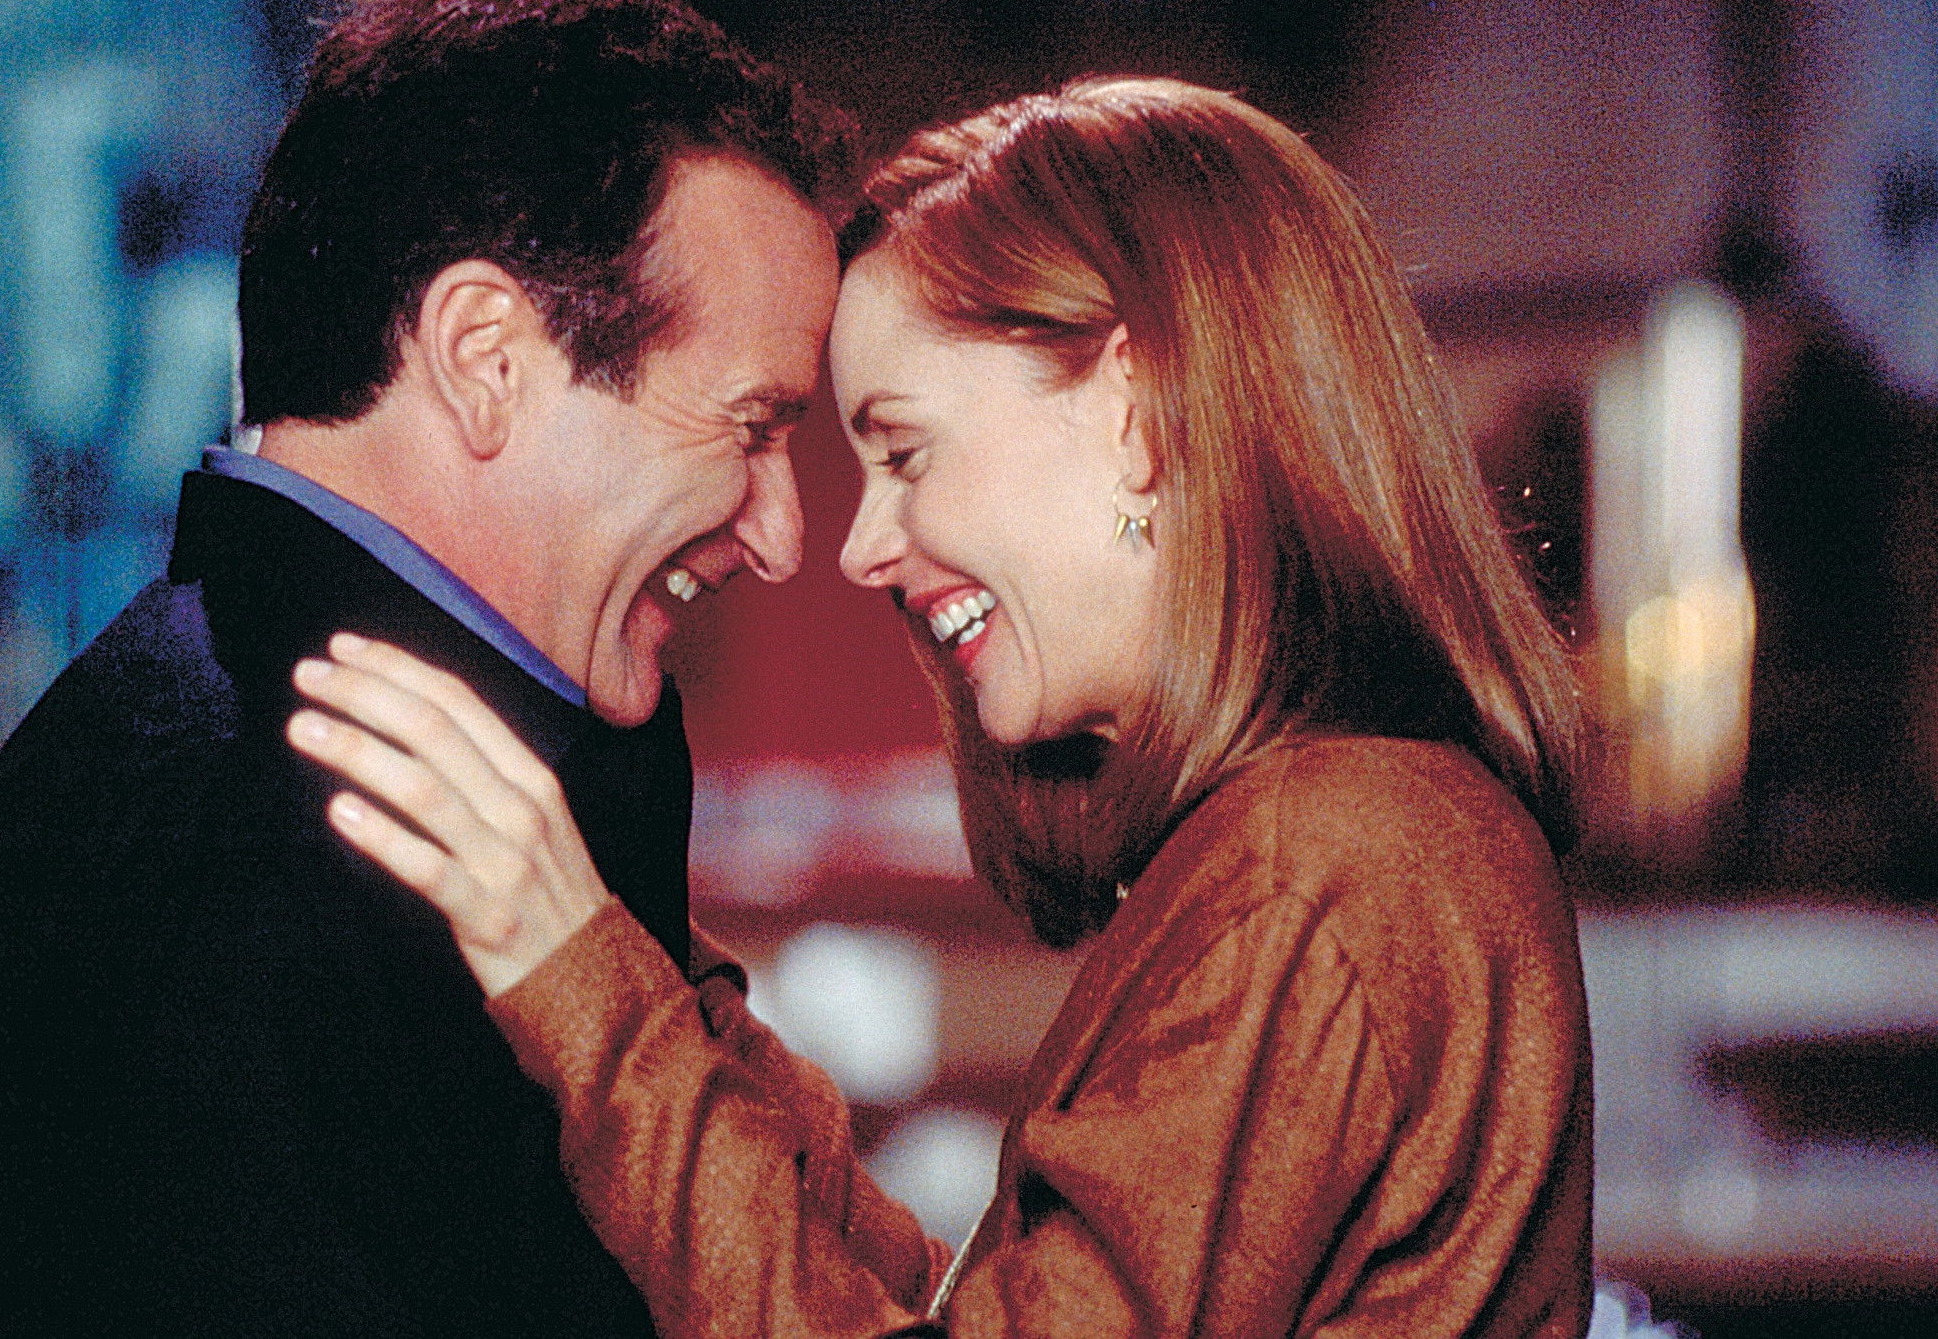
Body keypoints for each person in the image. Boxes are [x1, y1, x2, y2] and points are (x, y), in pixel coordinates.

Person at [287, 76, 1597, 1337]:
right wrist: (642, 966)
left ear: (1139, 409)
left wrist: (587, 992)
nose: (863, 548)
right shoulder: (1340, 837)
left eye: (905, 452)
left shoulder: (1324, 866)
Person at [0, 0, 852, 1335]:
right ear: (485, 355)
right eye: (750, 428)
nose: (784, 534)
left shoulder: (230, 749)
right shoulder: (286, 843)